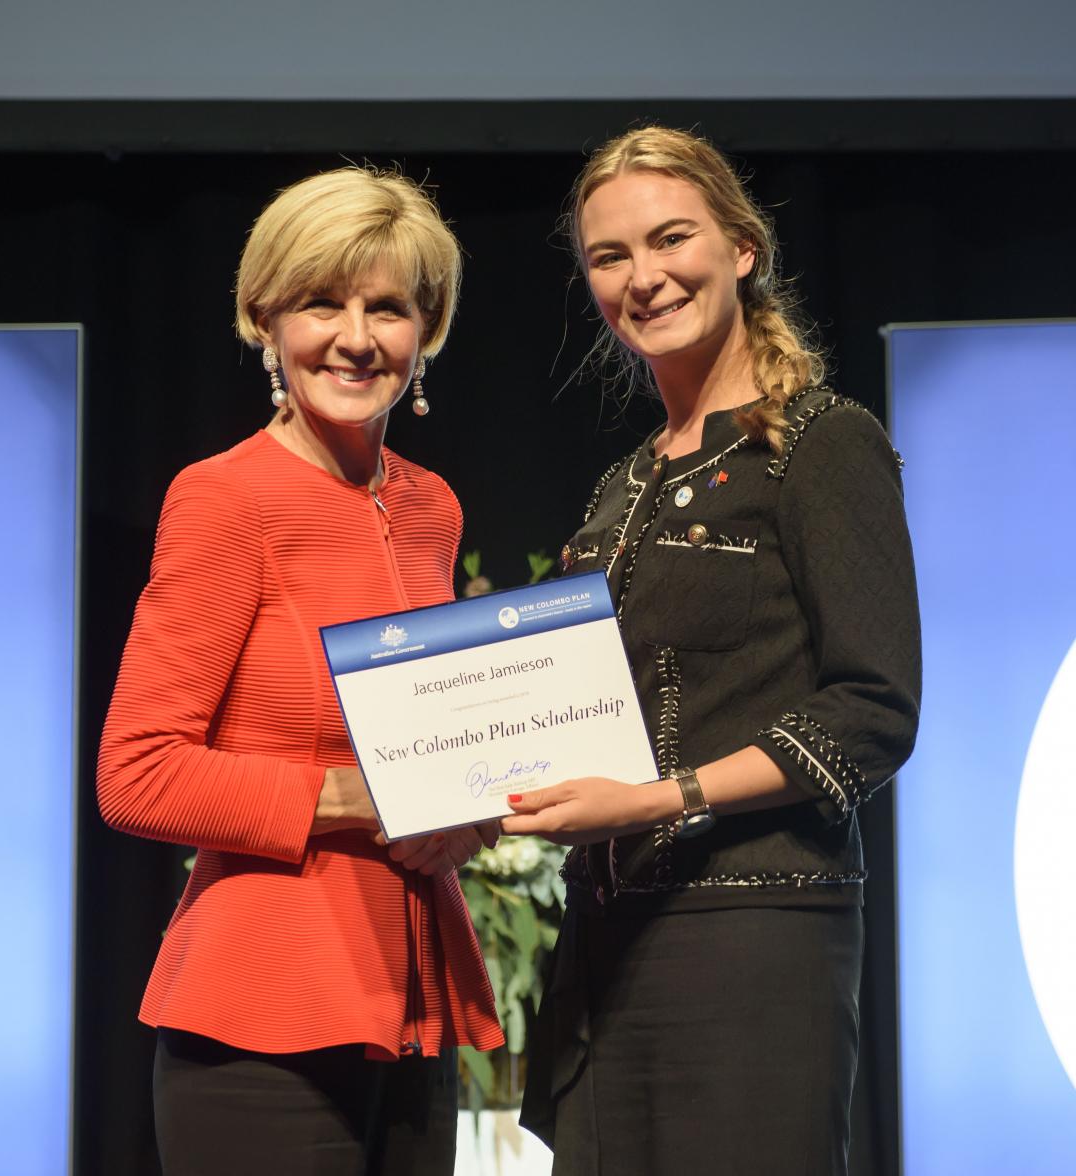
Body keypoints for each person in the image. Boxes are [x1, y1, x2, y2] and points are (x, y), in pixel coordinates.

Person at [503, 126, 921, 1175]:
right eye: (609, 257)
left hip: (758, 931)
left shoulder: (821, 442)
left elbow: (871, 713)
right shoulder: (620, 486)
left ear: (742, 247)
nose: (643, 277)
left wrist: (653, 800)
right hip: (607, 944)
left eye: (670, 238)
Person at [97, 166, 504, 1176]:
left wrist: (473, 807)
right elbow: (135, 771)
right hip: (260, 1023)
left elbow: (435, 734)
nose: (356, 337)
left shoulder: (431, 508)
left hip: (412, 1010)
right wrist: (347, 796)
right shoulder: (224, 498)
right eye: (323, 302)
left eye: (389, 307)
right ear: (265, 319)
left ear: (428, 330)